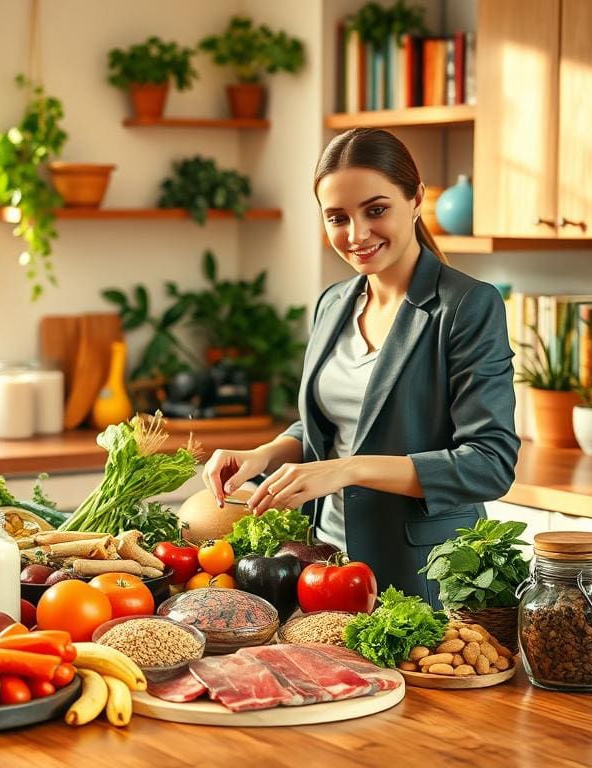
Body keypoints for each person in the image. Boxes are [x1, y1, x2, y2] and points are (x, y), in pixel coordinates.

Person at [202, 128, 519, 606]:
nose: (357, 235)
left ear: (416, 199)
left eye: (376, 210)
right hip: (321, 567)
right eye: (338, 217)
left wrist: (347, 471)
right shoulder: (333, 303)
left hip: (422, 576)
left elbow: (490, 463)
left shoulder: (468, 306)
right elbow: (332, 428)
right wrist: (263, 455)